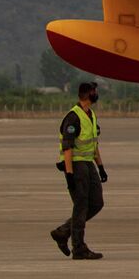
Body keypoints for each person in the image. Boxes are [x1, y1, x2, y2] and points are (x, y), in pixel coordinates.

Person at [50, 82, 107, 260]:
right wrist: (69, 174)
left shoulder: (91, 115)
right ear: (87, 94)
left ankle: (63, 232)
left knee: (96, 203)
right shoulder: (73, 117)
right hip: (76, 165)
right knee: (81, 205)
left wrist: (101, 166)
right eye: (94, 91)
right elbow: (67, 148)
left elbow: (94, 143)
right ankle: (79, 248)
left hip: (88, 164)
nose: (96, 94)